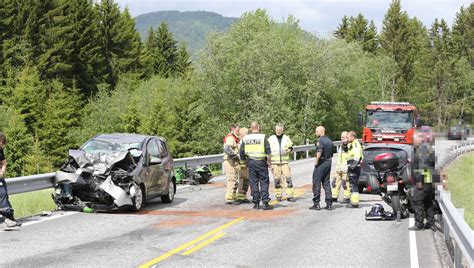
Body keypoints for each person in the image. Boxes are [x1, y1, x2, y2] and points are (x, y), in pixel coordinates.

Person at [240, 122, 273, 210]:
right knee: (264, 182)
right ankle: (265, 202)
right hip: (261, 162)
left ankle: (256, 203)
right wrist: (269, 162)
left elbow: (241, 152)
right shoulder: (263, 137)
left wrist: (245, 161)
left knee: (253, 182)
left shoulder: (246, 138)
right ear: (258, 127)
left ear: (251, 128)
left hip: (251, 162)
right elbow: (268, 152)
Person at [409, 130, 437, 231]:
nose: (413, 141)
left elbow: (423, 167)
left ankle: (419, 224)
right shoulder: (426, 149)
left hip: (422, 181)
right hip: (428, 180)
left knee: (417, 202)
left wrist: (419, 181)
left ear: (420, 139)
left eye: (415, 139)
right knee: (427, 202)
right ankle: (430, 222)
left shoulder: (422, 150)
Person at [268, 123, 295, 202]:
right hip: (274, 163)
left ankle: (290, 195)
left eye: (280, 130)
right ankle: (278, 195)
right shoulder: (271, 139)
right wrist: (268, 161)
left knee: (288, 178)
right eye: (277, 130)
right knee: (277, 180)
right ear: (275, 130)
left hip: (284, 162)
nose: (278, 131)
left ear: (282, 130)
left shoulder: (286, 138)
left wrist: (288, 150)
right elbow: (267, 149)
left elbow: (291, 147)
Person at [310, 126, 334, 210]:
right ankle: (329, 203)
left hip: (322, 163)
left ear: (321, 131)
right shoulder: (330, 141)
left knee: (316, 183)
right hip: (328, 162)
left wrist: (316, 161)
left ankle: (316, 203)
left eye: (316, 131)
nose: (315, 133)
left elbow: (319, 151)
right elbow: (331, 153)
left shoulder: (320, 140)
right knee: (326, 183)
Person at [0, 132, 20, 228]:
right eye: (1, 144)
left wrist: (2, 172)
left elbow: (4, 162)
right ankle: (5, 219)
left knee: (4, 195)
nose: (2, 146)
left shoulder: (0, 150)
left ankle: (9, 218)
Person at [331, 131, 351, 203]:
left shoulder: (349, 145)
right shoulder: (341, 145)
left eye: (343, 137)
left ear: (347, 137)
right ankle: (334, 197)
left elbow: (347, 150)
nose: (342, 138)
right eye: (341, 137)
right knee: (335, 183)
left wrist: (346, 143)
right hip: (339, 169)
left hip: (346, 169)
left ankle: (347, 197)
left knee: (345, 183)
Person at [223, 124, 241, 205]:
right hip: (230, 161)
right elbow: (227, 149)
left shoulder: (235, 138)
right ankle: (229, 199)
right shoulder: (231, 137)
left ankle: (233, 196)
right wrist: (236, 156)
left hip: (233, 161)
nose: (239, 131)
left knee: (234, 179)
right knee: (231, 179)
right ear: (233, 130)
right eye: (237, 130)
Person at [346, 131, 363, 208]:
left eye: (348, 137)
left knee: (354, 185)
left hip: (354, 168)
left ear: (353, 137)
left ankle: (355, 203)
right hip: (353, 167)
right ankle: (353, 201)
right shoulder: (352, 144)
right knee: (352, 184)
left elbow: (356, 157)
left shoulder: (355, 144)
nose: (347, 138)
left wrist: (352, 167)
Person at [234, 127, 250, 205]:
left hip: (246, 165)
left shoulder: (244, 142)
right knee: (242, 180)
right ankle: (240, 197)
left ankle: (243, 196)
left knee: (246, 181)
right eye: (247, 134)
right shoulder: (241, 143)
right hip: (242, 165)